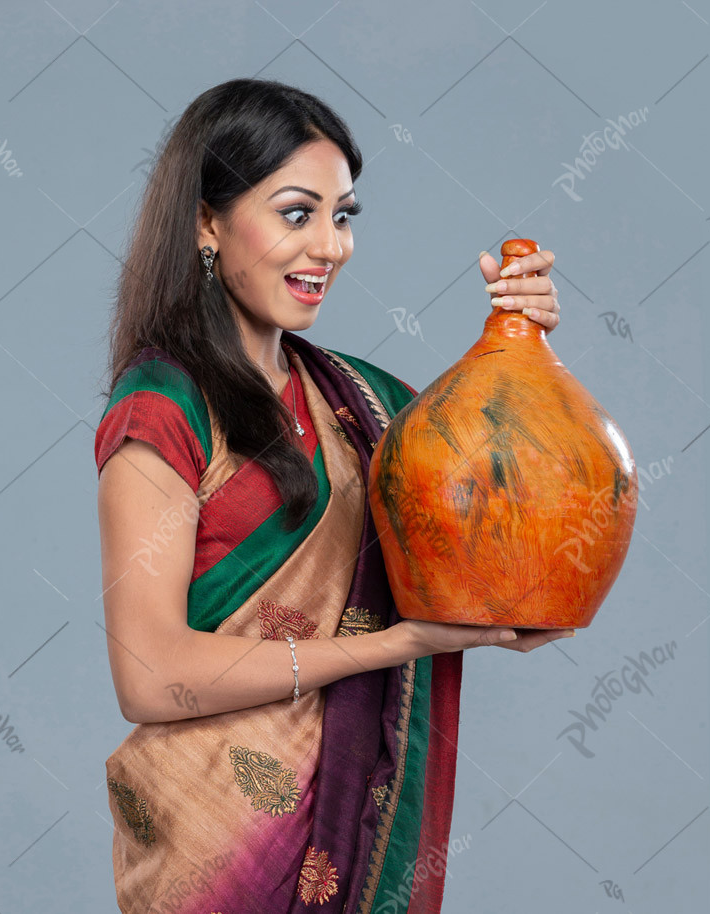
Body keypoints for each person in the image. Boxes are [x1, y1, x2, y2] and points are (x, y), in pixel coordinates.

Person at [94, 77, 572, 914]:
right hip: (214, 850)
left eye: (343, 215)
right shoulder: (162, 409)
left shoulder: (363, 403)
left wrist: (524, 353)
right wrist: (399, 643)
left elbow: (514, 516)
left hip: (350, 827)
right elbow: (148, 674)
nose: (331, 245)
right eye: (296, 212)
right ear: (207, 221)